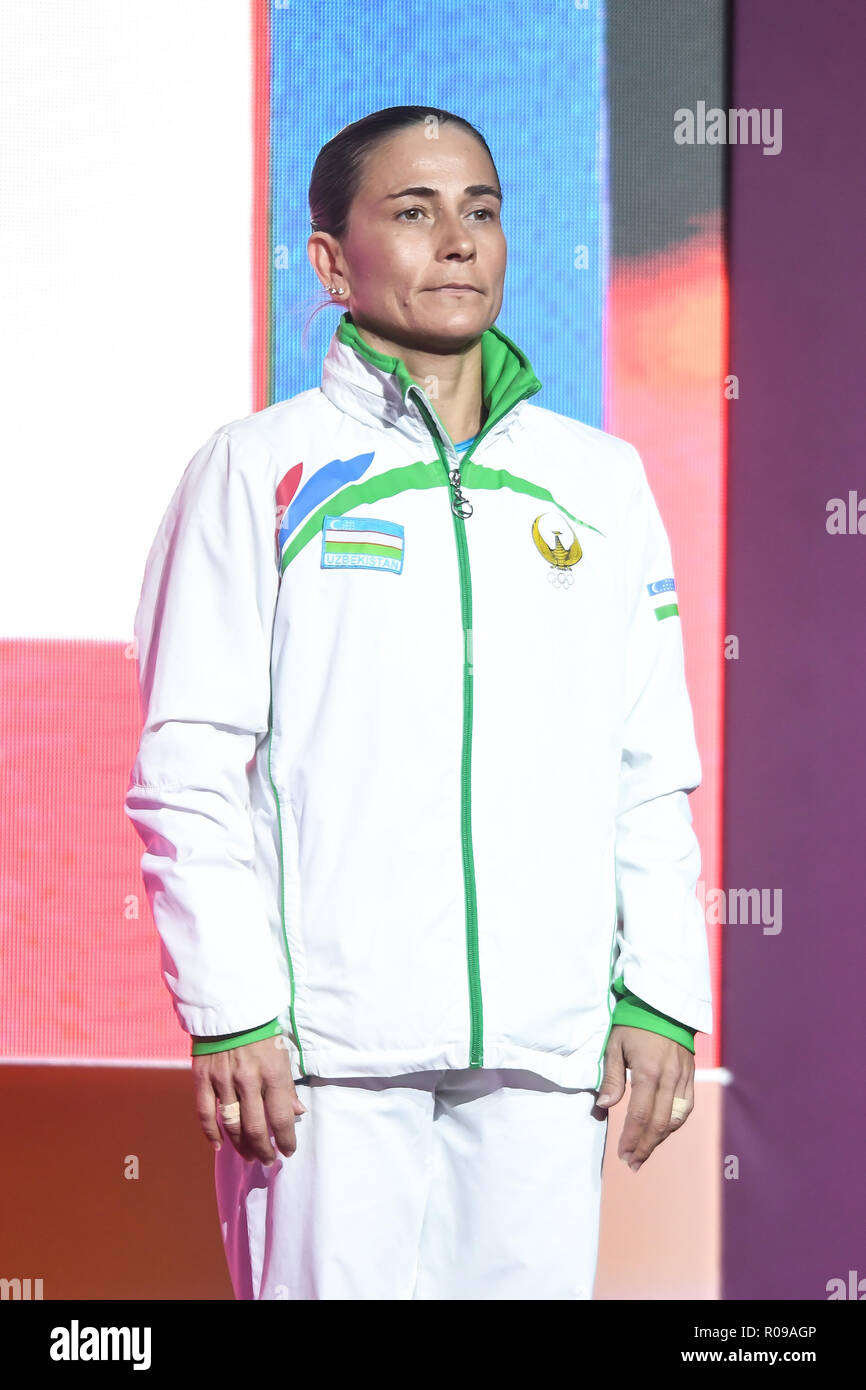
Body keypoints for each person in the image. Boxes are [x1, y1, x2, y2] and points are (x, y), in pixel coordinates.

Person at [124, 105, 712, 1301]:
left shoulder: (598, 479)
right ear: (331, 262)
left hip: (543, 1064)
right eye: (413, 211)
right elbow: (187, 765)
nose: (457, 240)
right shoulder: (255, 468)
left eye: (480, 212)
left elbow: (645, 763)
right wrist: (234, 1009)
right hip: (328, 1065)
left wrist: (657, 986)